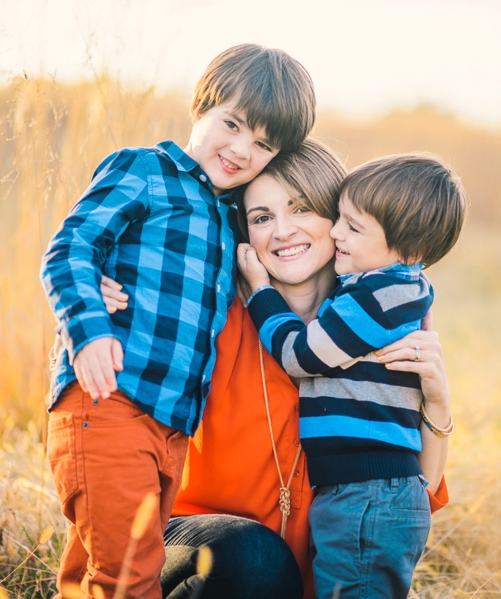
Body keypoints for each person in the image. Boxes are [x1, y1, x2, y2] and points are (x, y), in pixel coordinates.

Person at [98, 141, 454, 599]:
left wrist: (439, 402)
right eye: (262, 217)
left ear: (341, 220)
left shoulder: (380, 321)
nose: (283, 231)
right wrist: (101, 298)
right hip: (200, 550)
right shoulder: (210, 319)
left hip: (323, 572)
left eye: (302, 209)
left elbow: (415, 494)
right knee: (253, 556)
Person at [40, 44, 316, 599]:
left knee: (102, 567)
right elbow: (70, 248)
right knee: (127, 578)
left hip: (170, 430)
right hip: (111, 400)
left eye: (262, 144)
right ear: (201, 107)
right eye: (231, 124)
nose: (240, 149)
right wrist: (87, 327)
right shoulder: (145, 171)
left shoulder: (229, 214)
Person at [237, 153, 466, 598]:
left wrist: (260, 294)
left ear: (410, 251)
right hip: (357, 498)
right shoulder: (388, 291)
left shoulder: (377, 298)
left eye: (303, 208)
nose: (338, 232)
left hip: (365, 496)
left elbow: (300, 354)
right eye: (262, 217)